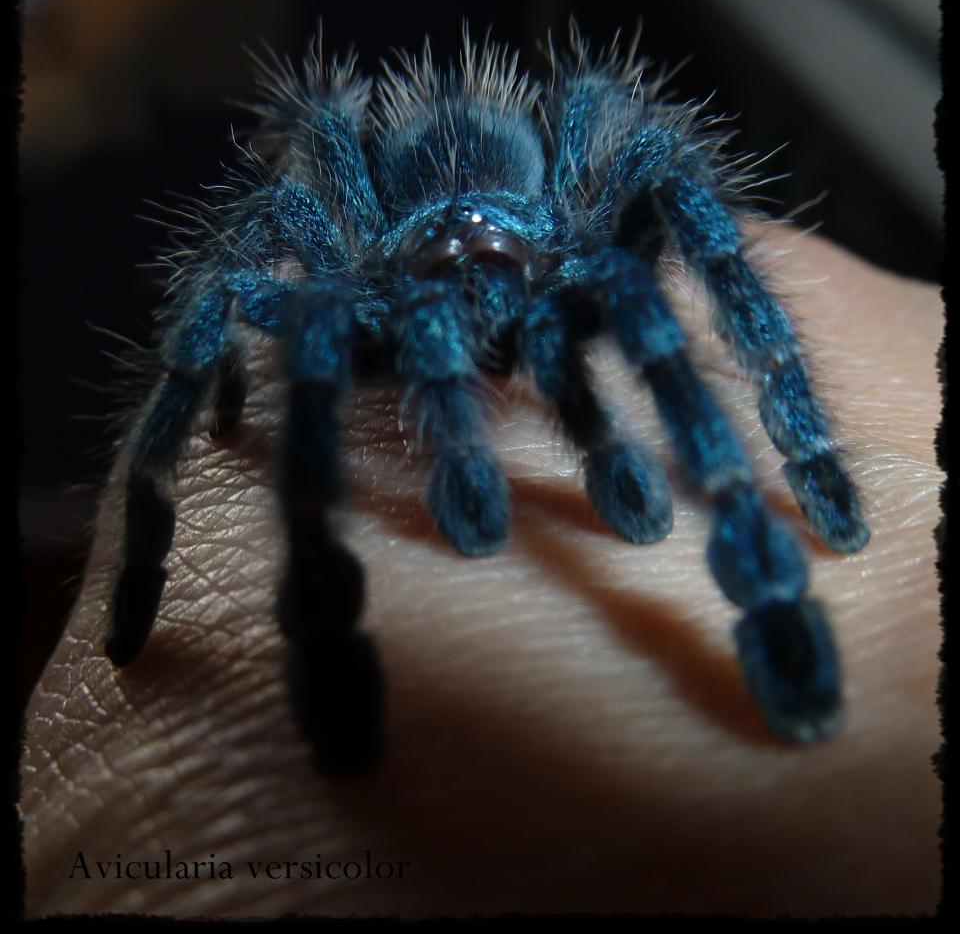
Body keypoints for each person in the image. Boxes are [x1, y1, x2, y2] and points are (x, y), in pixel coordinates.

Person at [20, 224, 942, 917]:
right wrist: (208, 407)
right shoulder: (342, 248)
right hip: (394, 261)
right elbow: (236, 276)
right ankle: (324, 645)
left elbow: (690, 225)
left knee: (647, 232)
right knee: (303, 313)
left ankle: (777, 579)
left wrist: (801, 433)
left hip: (544, 246)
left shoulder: (597, 245)